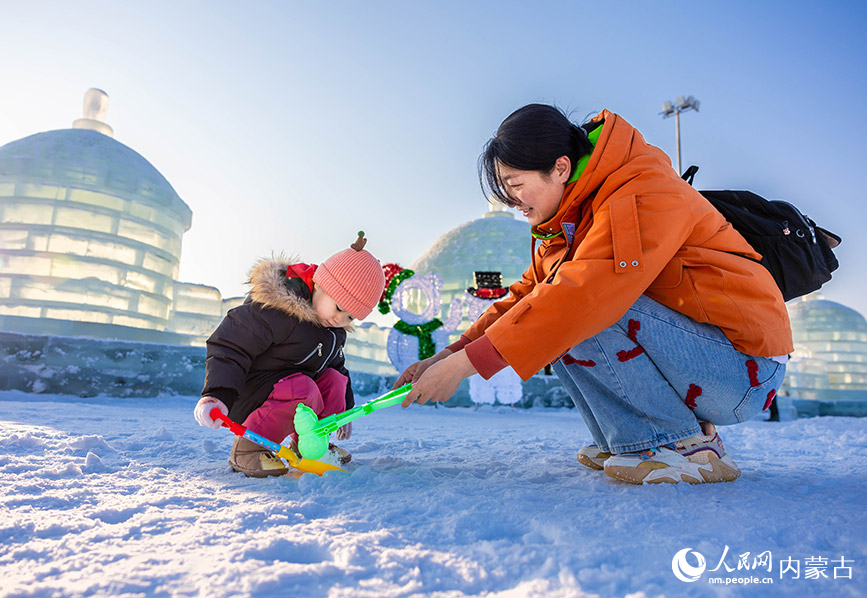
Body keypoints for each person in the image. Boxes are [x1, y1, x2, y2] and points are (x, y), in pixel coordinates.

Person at [396, 104, 792, 485]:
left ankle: (679, 445)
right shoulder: (568, 221)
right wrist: (448, 355)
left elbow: (585, 295)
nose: (513, 202)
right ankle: (633, 438)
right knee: (549, 313)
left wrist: (465, 366)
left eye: (516, 185)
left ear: (561, 167)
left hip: (744, 369)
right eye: (505, 190)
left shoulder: (640, 190)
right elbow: (524, 298)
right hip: (703, 358)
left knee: (581, 307)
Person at [194, 233, 386, 477]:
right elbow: (231, 345)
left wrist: (344, 412)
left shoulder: (333, 332)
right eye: (338, 307)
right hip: (252, 395)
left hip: (297, 395)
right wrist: (217, 394)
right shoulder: (275, 312)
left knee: (334, 380)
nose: (340, 319)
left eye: (350, 317)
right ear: (320, 284)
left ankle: (311, 447)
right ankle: (249, 449)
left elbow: (338, 368)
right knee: (304, 388)